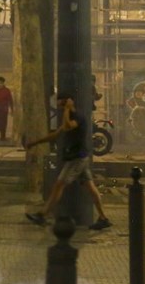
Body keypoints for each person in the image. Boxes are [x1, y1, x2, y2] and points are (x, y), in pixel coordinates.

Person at [23, 92, 112, 230]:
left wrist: (67, 109)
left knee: (59, 185)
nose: (60, 107)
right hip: (80, 158)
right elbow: (55, 134)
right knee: (91, 188)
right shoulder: (70, 116)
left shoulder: (78, 117)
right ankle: (103, 218)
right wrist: (35, 143)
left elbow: (68, 126)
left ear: (70, 102)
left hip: (77, 158)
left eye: (62, 103)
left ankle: (42, 215)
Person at [0, 76, 14, 142]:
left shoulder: (6, 91)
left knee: (3, 123)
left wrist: (11, 109)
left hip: (4, 109)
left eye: (1, 83)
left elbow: (10, 100)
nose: (0, 84)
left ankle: (3, 137)